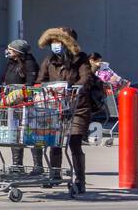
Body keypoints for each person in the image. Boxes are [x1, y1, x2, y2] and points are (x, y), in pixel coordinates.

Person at [36, 26, 99, 194]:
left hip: (77, 107)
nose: (56, 45)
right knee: (54, 142)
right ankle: (55, 174)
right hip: (56, 107)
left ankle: (80, 179)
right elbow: (40, 80)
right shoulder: (50, 60)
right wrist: (42, 89)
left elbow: (86, 78)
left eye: (59, 41)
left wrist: (72, 89)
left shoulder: (81, 59)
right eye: (54, 42)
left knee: (74, 142)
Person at [0, 39, 43, 173]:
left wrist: (20, 92)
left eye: (10, 49)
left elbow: (31, 83)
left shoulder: (29, 63)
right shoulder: (11, 63)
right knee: (15, 133)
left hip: (26, 104)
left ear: (17, 52)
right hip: (13, 104)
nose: (8, 51)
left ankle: (38, 166)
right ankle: (17, 165)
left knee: (31, 133)